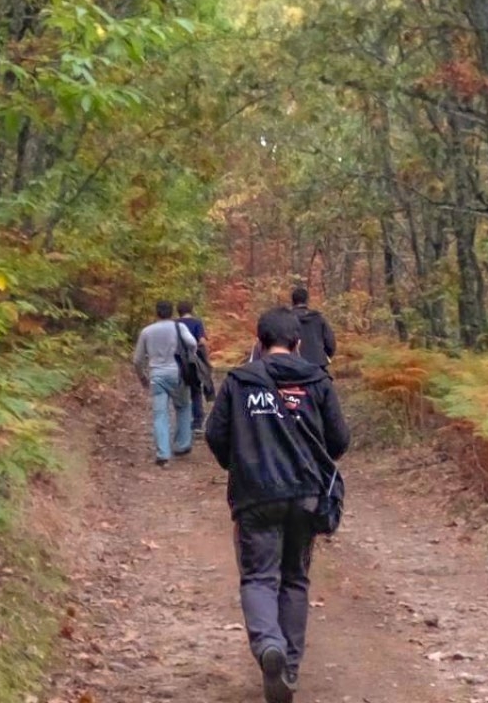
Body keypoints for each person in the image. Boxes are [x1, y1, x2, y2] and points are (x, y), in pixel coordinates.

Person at [205, 307, 351, 703]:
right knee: (295, 579)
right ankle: (287, 667)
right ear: (298, 343)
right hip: (305, 495)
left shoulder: (239, 381)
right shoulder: (317, 380)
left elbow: (215, 434)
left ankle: (269, 644)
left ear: (259, 341)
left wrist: (240, 462)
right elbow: (339, 441)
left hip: (255, 496)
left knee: (258, 578)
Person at [132, 300, 198, 467]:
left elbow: (137, 360)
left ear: (156, 313)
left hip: (157, 375)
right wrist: (190, 356)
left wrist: (142, 377)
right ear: (172, 313)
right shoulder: (179, 327)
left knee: (160, 414)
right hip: (177, 373)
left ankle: (163, 453)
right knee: (183, 407)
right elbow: (192, 343)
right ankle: (182, 445)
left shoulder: (147, 331)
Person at [176, 300, 211, 433]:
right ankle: (197, 423)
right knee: (196, 391)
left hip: (178, 361)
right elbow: (202, 341)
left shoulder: (175, 324)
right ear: (191, 309)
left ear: (178, 310)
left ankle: (183, 424)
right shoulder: (197, 323)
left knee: (181, 391)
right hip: (194, 361)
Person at [290, 287, 336, 371]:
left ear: (292, 301)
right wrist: (324, 356)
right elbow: (330, 342)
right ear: (307, 301)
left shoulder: (286, 319)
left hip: (293, 366)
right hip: (317, 364)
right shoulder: (319, 318)